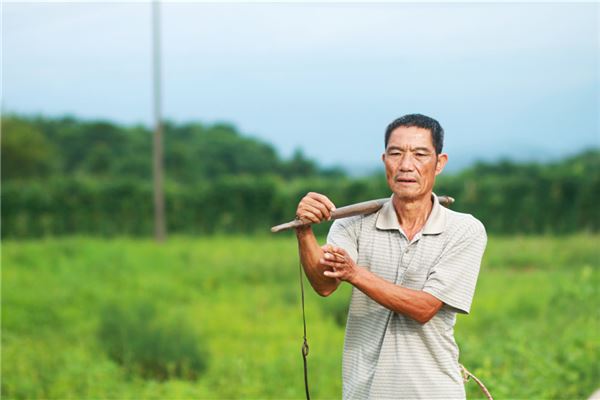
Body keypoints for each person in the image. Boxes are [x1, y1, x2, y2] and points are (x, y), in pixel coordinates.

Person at [295, 114, 487, 399]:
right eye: (396, 154)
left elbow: (425, 308)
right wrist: (304, 231)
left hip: (433, 391)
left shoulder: (463, 230)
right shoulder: (352, 223)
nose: (406, 165)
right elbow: (324, 285)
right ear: (385, 160)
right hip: (365, 392)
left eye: (420, 154)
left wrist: (355, 273)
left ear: (440, 163)